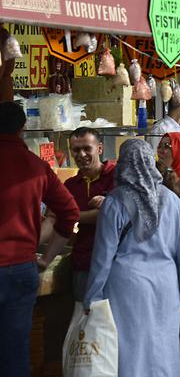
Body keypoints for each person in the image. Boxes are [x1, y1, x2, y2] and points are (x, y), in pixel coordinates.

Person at [83, 139, 180, 377]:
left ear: (124, 163)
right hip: (166, 288)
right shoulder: (174, 202)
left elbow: (103, 257)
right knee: (163, 351)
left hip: (127, 288)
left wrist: (92, 298)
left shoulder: (115, 202)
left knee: (130, 352)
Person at [0, 102, 79, 377]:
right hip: (22, 269)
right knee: (15, 352)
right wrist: (47, 256)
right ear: (22, 129)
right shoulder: (36, 166)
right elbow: (69, 212)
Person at [65, 127, 116, 302]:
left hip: (114, 264)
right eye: (76, 150)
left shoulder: (117, 176)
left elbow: (109, 216)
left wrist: (73, 215)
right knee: (84, 318)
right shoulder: (70, 184)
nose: (82, 154)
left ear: (100, 148)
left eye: (87, 148)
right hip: (83, 261)